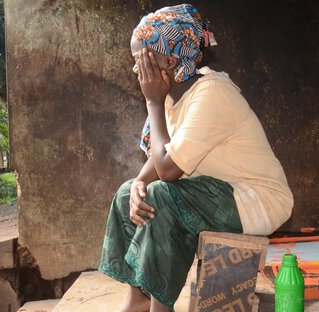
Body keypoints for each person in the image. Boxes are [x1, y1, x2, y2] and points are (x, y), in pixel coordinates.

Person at [98, 4, 293, 312]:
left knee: (161, 195)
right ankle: (137, 299)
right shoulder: (177, 97)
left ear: (169, 60)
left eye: (141, 60)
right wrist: (137, 183)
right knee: (129, 194)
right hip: (217, 193)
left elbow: (169, 169)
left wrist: (152, 101)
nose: (136, 70)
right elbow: (161, 158)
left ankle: (159, 306)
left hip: (256, 199)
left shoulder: (212, 92)